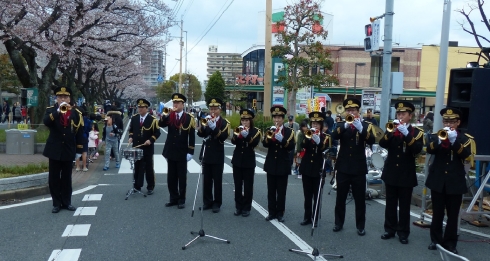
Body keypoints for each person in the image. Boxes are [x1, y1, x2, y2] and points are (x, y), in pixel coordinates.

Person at [426, 108, 475, 254]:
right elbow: (429, 149)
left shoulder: (466, 139)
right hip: (438, 180)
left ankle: (450, 243)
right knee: (437, 213)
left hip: (455, 181)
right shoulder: (436, 136)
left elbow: (468, 158)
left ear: (458, 122)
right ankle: (435, 240)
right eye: (446, 121)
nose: (449, 124)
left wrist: (454, 142)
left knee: (453, 215)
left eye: (452, 121)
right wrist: (442, 141)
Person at [378, 102, 424, 244]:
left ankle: (403, 232)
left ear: (410, 116)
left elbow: (417, 149)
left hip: (406, 173)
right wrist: (391, 133)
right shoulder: (392, 129)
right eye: (399, 114)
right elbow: (382, 144)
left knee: (404, 205)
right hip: (391, 171)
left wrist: (406, 135)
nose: (400, 116)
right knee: (390, 203)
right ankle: (389, 229)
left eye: (403, 114)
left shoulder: (417, 133)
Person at [331, 98, 375, 236]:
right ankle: (338, 223)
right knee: (340, 198)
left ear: (358, 111)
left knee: (360, 199)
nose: (351, 112)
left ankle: (360, 225)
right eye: (348, 110)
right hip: (343, 166)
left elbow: (372, 140)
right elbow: (333, 136)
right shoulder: (341, 125)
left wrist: (361, 129)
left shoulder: (366, 125)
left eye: (353, 110)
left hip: (358, 167)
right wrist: (344, 126)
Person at [43, 87, 84, 213]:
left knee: (67, 178)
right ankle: (56, 203)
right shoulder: (50, 110)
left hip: (68, 149)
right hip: (54, 149)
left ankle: (67, 202)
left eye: (65, 97)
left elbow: (80, 132)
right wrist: (58, 112)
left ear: (69, 98)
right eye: (60, 97)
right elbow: (46, 122)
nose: (63, 99)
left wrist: (79, 149)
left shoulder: (76, 112)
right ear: (56, 98)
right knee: (54, 178)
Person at [158, 93, 195, 208]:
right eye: (174, 102)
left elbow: (192, 136)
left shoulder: (189, 118)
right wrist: (164, 115)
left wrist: (190, 151)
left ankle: (181, 199)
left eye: (178, 103)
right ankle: (173, 198)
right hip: (171, 150)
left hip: (182, 151)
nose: (175, 105)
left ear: (183, 104)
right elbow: (161, 124)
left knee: (182, 177)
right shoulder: (170, 115)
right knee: (171, 177)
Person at [262, 106, 296, 222]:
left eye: (279, 118)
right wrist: (269, 135)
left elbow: (291, 147)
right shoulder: (269, 129)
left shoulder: (289, 131)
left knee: (281, 191)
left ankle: (280, 213)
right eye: (275, 117)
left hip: (283, 164)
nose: (277, 120)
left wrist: (282, 139)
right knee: (271, 190)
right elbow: (265, 144)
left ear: (283, 118)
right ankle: (271, 212)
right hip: (271, 163)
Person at [197, 98, 230, 213]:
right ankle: (207, 202)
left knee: (217, 181)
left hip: (217, 154)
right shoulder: (206, 120)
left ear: (219, 110)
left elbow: (223, 137)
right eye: (211, 109)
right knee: (206, 180)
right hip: (206, 153)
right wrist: (202, 126)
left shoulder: (224, 123)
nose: (213, 111)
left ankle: (217, 202)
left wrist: (214, 128)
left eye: (215, 109)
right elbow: (200, 135)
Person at [299, 112, 331, 227]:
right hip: (307, 168)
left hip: (318, 169)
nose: (315, 125)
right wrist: (309, 137)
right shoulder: (307, 134)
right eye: (313, 123)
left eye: (317, 123)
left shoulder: (326, 137)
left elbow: (326, 150)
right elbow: (303, 145)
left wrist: (319, 142)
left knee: (316, 196)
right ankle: (307, 217)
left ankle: (315, 218)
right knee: (307, 195)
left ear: (321, 125)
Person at [231, 108, 262, 217]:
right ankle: (238, 207)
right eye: (243, 120)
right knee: (238, 185)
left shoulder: (256, 131)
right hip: (237, 161)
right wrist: (238, 135)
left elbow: (255, 143)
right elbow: (233, 141)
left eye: (247, 120)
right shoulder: (237, 129)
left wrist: (247, 136)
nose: (244, 122)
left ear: (251, 121)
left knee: (248, 186)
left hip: (248, 161)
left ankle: (246, 207)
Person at [128, 98, 161, 194]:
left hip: (147, 148)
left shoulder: (152, 120)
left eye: (142, 107)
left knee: (148, 167)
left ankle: (150, 186)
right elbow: (131, 130)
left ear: (147, 108)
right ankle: (137, 186)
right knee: (137, 167)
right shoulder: (134, 118)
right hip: (137, 147)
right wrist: (130, 137)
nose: (140, 109)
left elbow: (157, 133)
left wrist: (150, 140)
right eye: (139, 107)